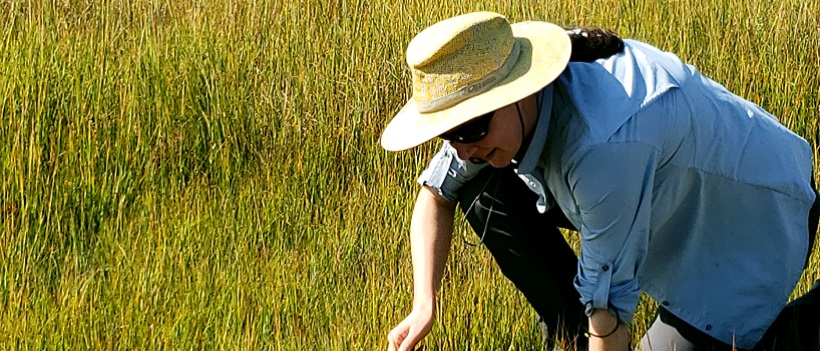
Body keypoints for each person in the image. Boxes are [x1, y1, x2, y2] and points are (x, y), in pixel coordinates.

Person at [381, 11, 820, 351]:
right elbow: (437, 193)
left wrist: (602, 325)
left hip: (754, 218)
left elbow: (609, 308)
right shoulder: (487, 113)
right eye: (448, 133)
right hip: (662, 202)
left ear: (517, 93)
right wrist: (425, 303)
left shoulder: (602, 147)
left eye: (471, 129)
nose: (461, 146)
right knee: (481, 185)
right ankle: (570, 332)